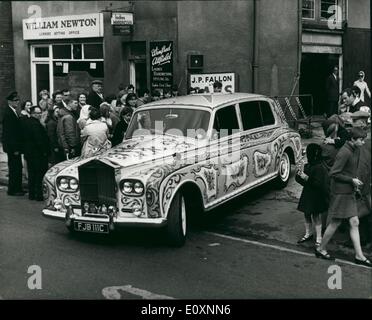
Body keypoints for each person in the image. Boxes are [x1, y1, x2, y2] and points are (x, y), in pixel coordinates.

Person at [315, 127, 372, 267]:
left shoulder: (354, 149)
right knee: (335, 222)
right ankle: (321, 248)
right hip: (341, 193)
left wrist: (354, 181)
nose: (363, 142)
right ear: (352, 139)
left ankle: (359, 255)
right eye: (361, 140)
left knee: (354, 222)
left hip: (349, 192)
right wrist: (351, 180)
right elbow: (333, 173)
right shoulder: (345, 152)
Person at [296, 144, 329, 247]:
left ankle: (319, 238)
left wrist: (306, 178)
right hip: (308, 194)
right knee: (306, 214)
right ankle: (308, 233)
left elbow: (318, 184)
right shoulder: (308, 165)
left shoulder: (319, 167)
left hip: (316, 196)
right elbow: (302, 182)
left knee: (316, 216)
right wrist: (299, 174)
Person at [22, 106, 49, 200]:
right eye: (37, 113)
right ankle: (38, 195)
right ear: (32, 113)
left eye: (40, 112)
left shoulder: (27, 122)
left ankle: (32, 194)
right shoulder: (35, 124)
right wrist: (44, 152)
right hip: (37, 153)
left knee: (32, 174)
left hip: (30, 153)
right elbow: (39, 140)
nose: (39, 114)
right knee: (39, 174)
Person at [1, 91, 25, 196]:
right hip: (13, 147)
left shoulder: (13, 112)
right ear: (9, 102)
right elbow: (10, 134)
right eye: (15, 100)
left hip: (15, 146)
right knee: (15, 168)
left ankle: (17, 187)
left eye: (18, 100)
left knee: (17, 167)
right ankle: (13, 189)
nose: (17, 102)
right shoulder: (8, 114)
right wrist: (14, 148)